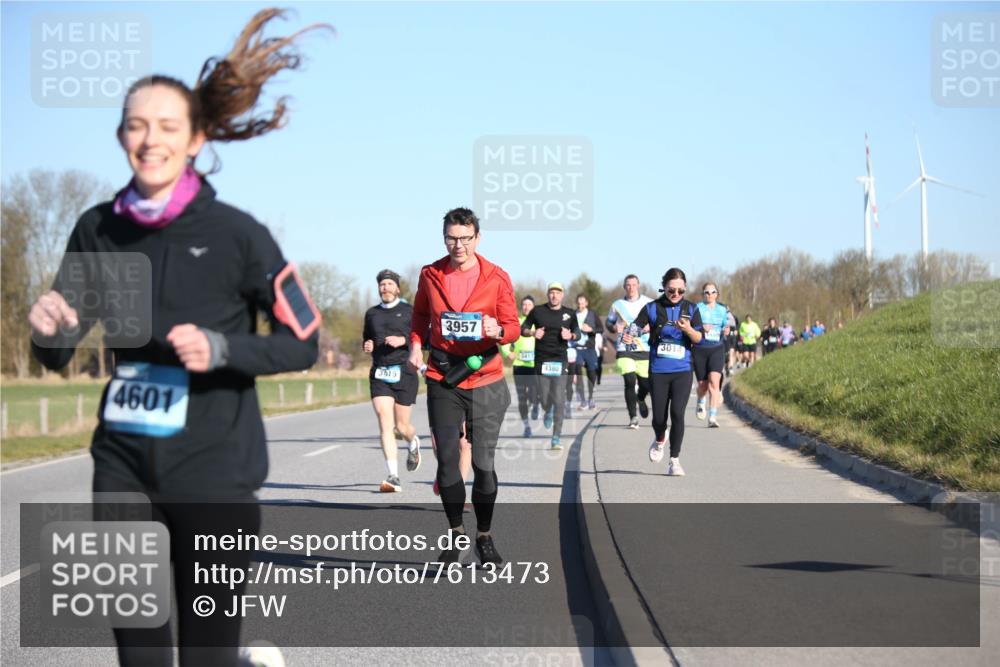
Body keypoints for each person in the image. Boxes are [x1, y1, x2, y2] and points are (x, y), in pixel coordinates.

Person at [27, 10, 327, 666]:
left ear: (195, 139)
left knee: (205, 656)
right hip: (122, 465)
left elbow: (303, 342)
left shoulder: (238, 234)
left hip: (215, 470)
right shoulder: (98, 229)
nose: (150, 139)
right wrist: (49, 328)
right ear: (120, 136)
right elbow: (57, 350)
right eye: (137, 125)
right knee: (139, 653)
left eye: (167, 126)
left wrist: (223, 349)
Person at [408, 207, 518, 565]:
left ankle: (484, 536)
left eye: (466, 239)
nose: (459, 246)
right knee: (447, 461)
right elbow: (420, 316)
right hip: (443, 377)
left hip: (485, 377)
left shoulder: (496, 277)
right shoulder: (430, 275)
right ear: (444, 238)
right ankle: (456, 534)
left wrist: (498, 331)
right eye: (452, 239)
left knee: (483, 465)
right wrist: (415, 345)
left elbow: (513, 326)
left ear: (478, 238)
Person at [624, 268, 703, 476]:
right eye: (671, 290)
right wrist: (629, 335)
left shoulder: (691, 309)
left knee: (677, 414)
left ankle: (674, 460)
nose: (676, 294)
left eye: (680, 290)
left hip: (682, 370)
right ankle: (660, 438)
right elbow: (636, 326)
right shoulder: (652, 308)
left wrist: (688, 329)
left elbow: (699, 338)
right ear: (664, 287)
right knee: (659, 418)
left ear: (685, 289)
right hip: (658, 370)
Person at [363, 269, 421, 492]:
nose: (385, 287)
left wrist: (403, 340)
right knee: (384, 421)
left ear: (397, 288)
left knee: (401, 427)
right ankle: (393, 476)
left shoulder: (409, 311)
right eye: (382, 284)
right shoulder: (372, 314)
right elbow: (367, 338)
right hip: (380, 373)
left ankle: (413, 441)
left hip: (404, 372)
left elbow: (422, 338)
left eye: (389, 284)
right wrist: (367, 345)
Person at [520, 282, 581, 450]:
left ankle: (556, 438)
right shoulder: (537, 311)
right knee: (545, 399)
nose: (554, 296)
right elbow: (523, 328)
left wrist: (571, 335)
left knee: (559, 398)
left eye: (558, 293)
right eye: (552, 292)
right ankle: (547, 410)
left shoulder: (569, 313)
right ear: (548, 294)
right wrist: (533, 332)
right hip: (542, 360)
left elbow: (578, 332)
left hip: (560, 360)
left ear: (562, 295)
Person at [606, 275, 653, 428]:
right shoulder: (617, 305)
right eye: (628, 285)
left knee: (646, 385)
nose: (631, 287)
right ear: (624, 287)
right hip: (624, 348)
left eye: (633, 284)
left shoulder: (648, 303)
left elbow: (658, 321)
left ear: (638, 285)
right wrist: (614, 327)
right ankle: (633, 417)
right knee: (630, 381)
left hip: (644, 348)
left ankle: (640, 398)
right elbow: (609, 323)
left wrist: (650, 327)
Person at [501, 295, 541, 437]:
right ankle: (526, 426)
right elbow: (505, 339)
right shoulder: (516, 322)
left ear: (533, 307)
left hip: (534, 365)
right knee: (522, 398)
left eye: (529, 304)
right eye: (524, 304)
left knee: (534, 394)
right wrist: (507, 353)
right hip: (519, 365)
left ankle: (535, 404)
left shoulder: (538, 323)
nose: (526, 307)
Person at [693, 282, 729, 428]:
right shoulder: (697, 308)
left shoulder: (722, 310)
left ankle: (712, 417)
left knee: (714, 382)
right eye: (707, 292)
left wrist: (726, 330)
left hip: (716, 349)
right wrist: (701, 327)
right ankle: (701, 399)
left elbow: (725, 326)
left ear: (717, 294)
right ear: (703, 294)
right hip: (700, 349)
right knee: (703, 386)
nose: (710, 295)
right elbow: (690, 326)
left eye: (713, 292)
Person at [570, 294, 601, 410]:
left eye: (582, 303)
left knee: (591, 373)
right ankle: (583, 400)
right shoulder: (573, 315)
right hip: (576, 348)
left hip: (590, 348)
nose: (580, 305)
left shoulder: (592, 314)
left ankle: (591, 398)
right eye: (578, 303)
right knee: (577, 370)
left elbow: (601, 329)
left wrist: (591, 329)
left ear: (586, 303)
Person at [724, 310, 739, 376]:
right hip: (725, 339)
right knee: (726, 355)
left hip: (732, 338)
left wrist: (736, 330)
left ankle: (730, 368)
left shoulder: (734, 317)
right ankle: (727, 367)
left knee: (731, 353)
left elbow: (737, 325)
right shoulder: (721, 317)